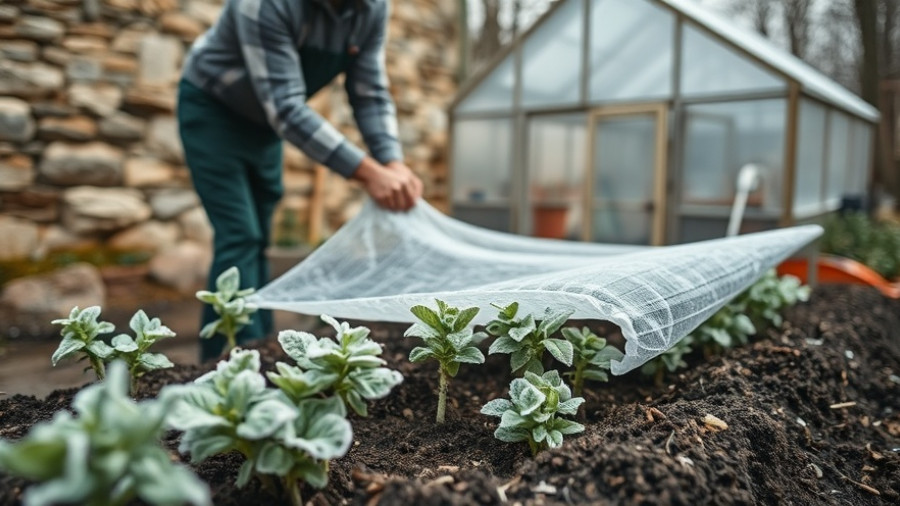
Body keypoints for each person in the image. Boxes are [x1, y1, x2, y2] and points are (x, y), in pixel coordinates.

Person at [177, 0, 423, 360]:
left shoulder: (370, 9)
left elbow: (370, 93)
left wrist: (392, 161)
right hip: (213, 108)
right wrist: (370, 174)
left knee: (260, 237)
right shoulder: (265, 5)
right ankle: (224, 360)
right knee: (239, 234)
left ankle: (260, 347)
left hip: (264, 123)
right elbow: (287, 108)